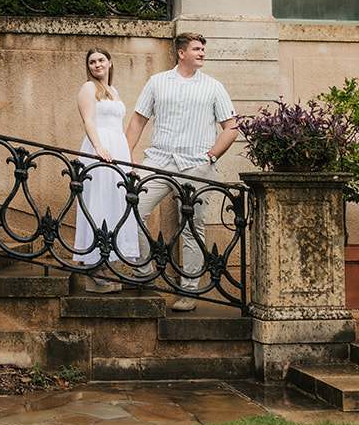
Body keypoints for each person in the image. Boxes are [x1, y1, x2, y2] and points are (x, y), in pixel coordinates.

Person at [125, 34, 238, 311]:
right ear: (181, 53)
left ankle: (189, 291)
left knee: (191, 228)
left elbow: (231, 127)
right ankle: (142, 274)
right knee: (133, 208)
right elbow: (138, 119)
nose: (202, 53)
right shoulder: (157, 82)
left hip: (196, 166)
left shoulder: (214, 87)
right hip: (158, 161)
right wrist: (125, 159)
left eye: (203, 49)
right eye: (197, 49)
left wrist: (211, 156)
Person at [73, 47, 139, 292]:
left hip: (118, 148)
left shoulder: (113, 90)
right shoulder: (88, 88)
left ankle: (107, 261)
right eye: (91, 61)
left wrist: (129, 162)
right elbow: (88, 120)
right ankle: (94, 265)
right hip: (99, 148)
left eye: (101, 60)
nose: (96, 65)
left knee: (115, 204)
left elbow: (119, 128)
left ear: (110, 63)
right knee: (98, 203)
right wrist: (98, 147)